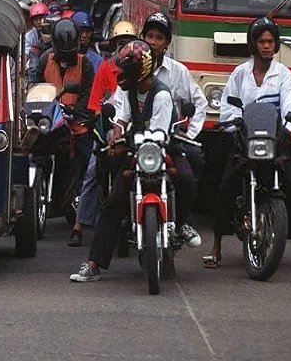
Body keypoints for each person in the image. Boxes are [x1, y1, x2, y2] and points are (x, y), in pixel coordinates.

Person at [70, 39, 198, 282]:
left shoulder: (161, 95)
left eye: (124, 70)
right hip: (136, 149)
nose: (118, 74)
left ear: (139, 72)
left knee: (187, 178)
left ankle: (180, 224)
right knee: (113, 200)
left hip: (162, 147)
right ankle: (93, 263)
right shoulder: (126, 90)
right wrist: (116, 132)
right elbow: (120, 117)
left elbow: (159, 134)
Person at [203, 17, 291, 270]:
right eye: (261, 41)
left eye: (270, 41)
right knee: (225, 187)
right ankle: (216, 247)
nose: (266, 46)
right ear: (253, 44)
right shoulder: (240, 73)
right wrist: (233, 125)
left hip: (274, 141)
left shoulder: (283, 74)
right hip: (245, 139)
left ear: (276, 45)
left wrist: (290, 129)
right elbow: (228, 105)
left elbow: (289, 104)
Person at [68, 20, 137, 247]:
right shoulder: (105, 69)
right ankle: (79, 226)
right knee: (92, 172)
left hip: (132, 131)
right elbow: (95, 104)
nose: (125, 47)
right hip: (107, 128)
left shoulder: (141, 69)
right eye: (121, 43)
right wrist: (103, 123)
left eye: (128, 43)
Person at [139, 12, 206, 238]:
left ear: (167, 43)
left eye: (159, 37)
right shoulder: (132, 66)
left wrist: (190, 133)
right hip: (137, 140)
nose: (153, 42)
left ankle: (182, 220)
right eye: (149, 36)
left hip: (170, 140)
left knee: (191, 169)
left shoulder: (179, 71)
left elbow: (199, 102)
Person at [29, 20, 94, 233]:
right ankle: (35, 187)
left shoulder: (86, 64)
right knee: (35, 149)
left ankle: (80, 199)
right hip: (50, 119)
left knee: (85, 157)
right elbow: (35, 86)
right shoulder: (44, 60)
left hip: (77, 121)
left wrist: (80, 113)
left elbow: (87, 94)